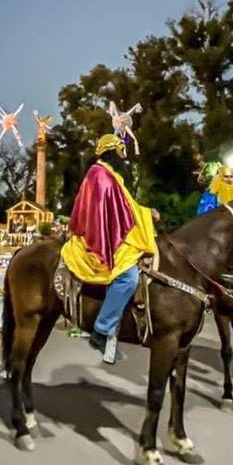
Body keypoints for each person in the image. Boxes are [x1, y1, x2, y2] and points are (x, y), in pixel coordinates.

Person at [60, 134, 159, 363]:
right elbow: (115, 214)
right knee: (128, 277)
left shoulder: (109, 175)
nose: (125, 157)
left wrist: (144, 211)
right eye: (122, 152)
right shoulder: (101, 176)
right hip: (97, 242)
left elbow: (124, 209)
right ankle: (102, 330)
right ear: (113, 152)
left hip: (111, 236)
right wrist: (146, 214)